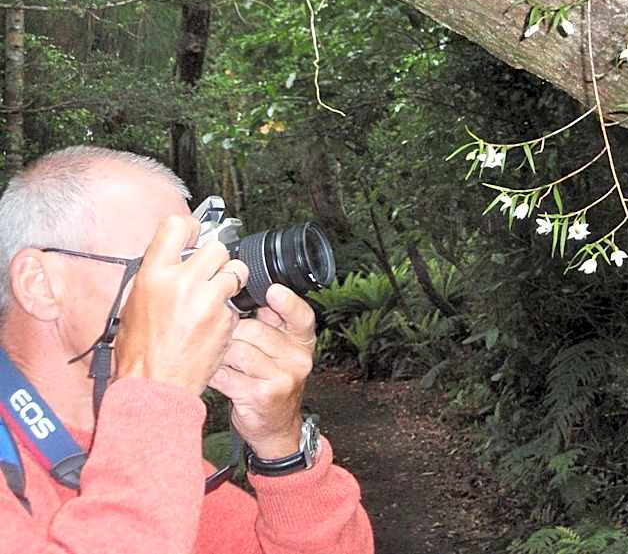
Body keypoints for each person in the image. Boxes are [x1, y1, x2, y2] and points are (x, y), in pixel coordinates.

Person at [0, 146, 373, 553]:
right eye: (166, 264)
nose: (204, 291)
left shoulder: (152, 468)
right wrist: (157, 392)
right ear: (39, 284)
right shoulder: (146, 455)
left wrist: (281, 448)